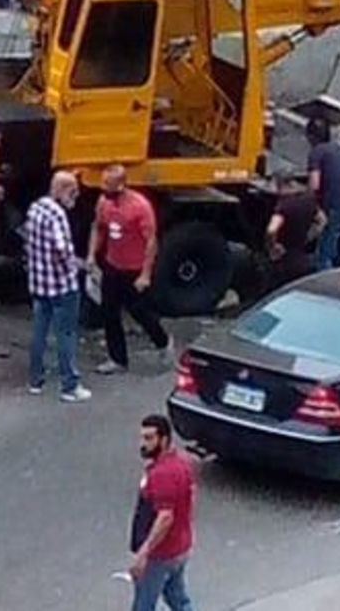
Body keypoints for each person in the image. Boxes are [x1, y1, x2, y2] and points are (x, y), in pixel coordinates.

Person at [89, 165, 171, 375]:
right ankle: (117, 359)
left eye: (108, 184)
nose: (103, 188)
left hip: (133, 270)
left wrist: (145, 274)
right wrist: (92, 254)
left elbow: (151, 241)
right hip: (112, 264)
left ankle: (162, 341)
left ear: (121, 185)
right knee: (109, 312)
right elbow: (98, 228)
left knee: (139, 312)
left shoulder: (140, 207)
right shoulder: (104, 203)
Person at [24, 170, 91, 402]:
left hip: (39, 284)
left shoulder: (35, 208)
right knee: (66, 334)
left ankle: (35, 380)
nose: (76, 195)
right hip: (62, 286)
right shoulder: (57, 215)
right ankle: (69, 386)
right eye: (73, 191)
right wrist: (78, 265)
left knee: (39, 333)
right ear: (62, 190)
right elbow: (62, 250)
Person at [128, 414, 197, 611]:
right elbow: (191, 497)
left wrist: (143, 553)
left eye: (149, 438)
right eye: (142, 437)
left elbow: (165, 516)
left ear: (164, 439)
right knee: (177, 598)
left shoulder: (162, 474)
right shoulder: (181, 464)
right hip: (179, 548)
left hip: (160, 554)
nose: (143, 444)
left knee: (143, 605)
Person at [307, 117, 340, 268]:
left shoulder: (317, 152)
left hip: (335, 207)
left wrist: (308, 205)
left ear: (311, 137)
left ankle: (323, 288)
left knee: (324, 256)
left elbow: (314, 184)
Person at [266, 169, 323, 290]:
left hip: (285, 261)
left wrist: (273, 246)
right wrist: (309, 236)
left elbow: (271, 229)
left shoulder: (283, 206)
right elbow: (322, 221)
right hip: (302, 257)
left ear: (279, 184)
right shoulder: (308, 198)